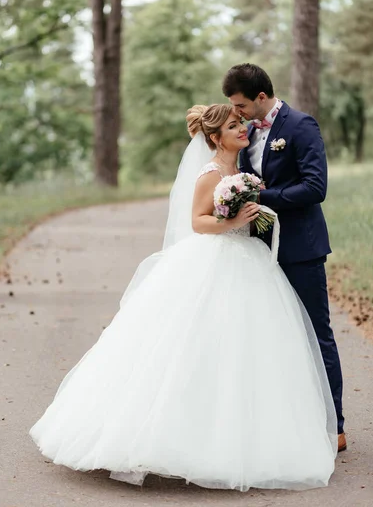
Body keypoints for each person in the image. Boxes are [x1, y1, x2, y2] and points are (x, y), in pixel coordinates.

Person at [30, 103, 337, 492]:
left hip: (251, 262)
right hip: (217, 260)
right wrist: (233, 221)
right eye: (233, 125)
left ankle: (243, 433)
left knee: (247, 351)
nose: (242, 128)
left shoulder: (242, 173)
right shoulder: (210, 174)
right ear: (215, 138)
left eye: (241, 122)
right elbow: (198, 221)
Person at [222, 63, 346, 452]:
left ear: (262, 97)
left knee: (315, 335)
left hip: (299, 249)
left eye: (241, 104)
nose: (237, 113)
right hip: (256, 251)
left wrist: (259, 197)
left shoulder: (300, 126)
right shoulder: (245, 133)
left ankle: (334, 425)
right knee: (269, 338)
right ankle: (280, 425)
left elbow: (315, 187)